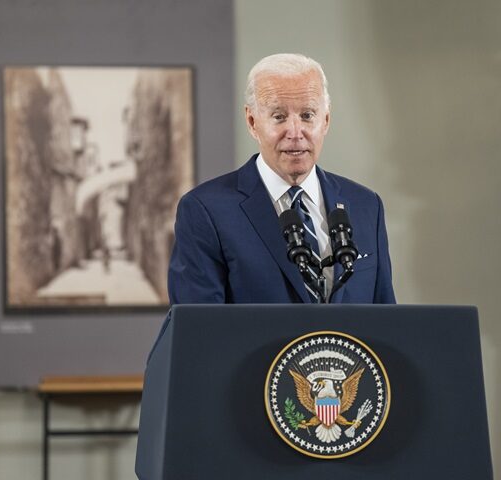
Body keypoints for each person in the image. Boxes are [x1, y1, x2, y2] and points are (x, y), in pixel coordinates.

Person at [168, 53, 395, 304]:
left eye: (308, 115)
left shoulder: (366, 205)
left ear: (326, 120)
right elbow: (200, 331)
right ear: (252, 122)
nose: (295, 132)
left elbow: (386, 323)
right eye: (279, 117)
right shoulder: (206, 211)